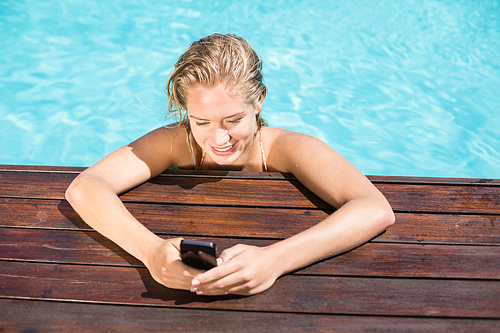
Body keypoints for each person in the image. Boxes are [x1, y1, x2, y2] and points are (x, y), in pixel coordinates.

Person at [65, 33, 395, 296]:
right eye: (201, 122)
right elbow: (86, 187)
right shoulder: (178, 142)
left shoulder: (286, 148)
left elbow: (373, 208)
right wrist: (151, 251)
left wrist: (275, 260)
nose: (218, 137)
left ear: (259, 100)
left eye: (233, 119)